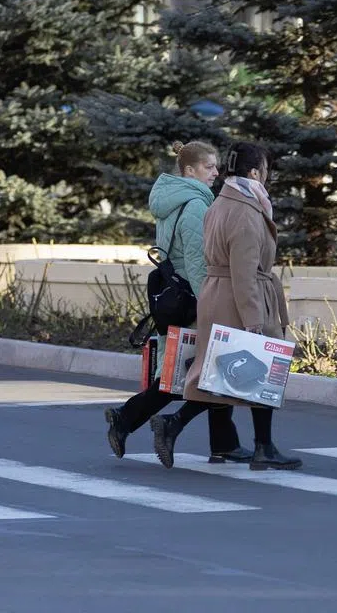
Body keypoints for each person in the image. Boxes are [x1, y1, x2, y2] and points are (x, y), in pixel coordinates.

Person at [150, 142, 301, 471]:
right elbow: (245, 272)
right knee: (259, 370)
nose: (267, 177)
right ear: (254, 173)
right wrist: (254, 321)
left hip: (218, 294)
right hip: (241, 297)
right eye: (265, 171)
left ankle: (257, 445)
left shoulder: (219, 203)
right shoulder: (247, 211)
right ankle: (259, 447)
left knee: (222, 376)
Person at [104, 142, 250, 463]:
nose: (216, 173)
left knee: (202, 371)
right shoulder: (196, 205)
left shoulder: (171, 200)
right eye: (209, 167)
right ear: (189, 170)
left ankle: (222, 442)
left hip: (174, 296)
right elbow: (198, 264)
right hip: (194, 297)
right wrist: (212, 306)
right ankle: (129, 418)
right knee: (205, 372)